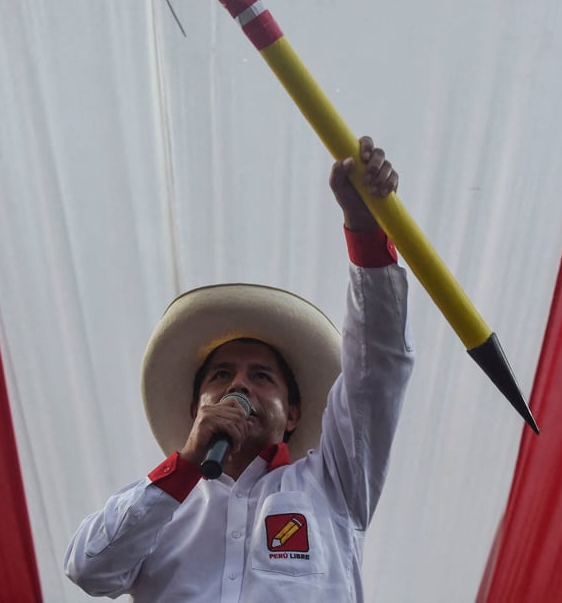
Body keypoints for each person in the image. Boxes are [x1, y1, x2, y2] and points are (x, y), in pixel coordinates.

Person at [65, 136, 415, 601]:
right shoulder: (159, 509)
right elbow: (90, 569)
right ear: (196, 410)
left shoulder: (333, 484)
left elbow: (377, 366)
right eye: (221, 375)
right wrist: (184, 466)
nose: (239, 386)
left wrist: (366, 229)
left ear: (292, 412)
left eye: (261, 376)